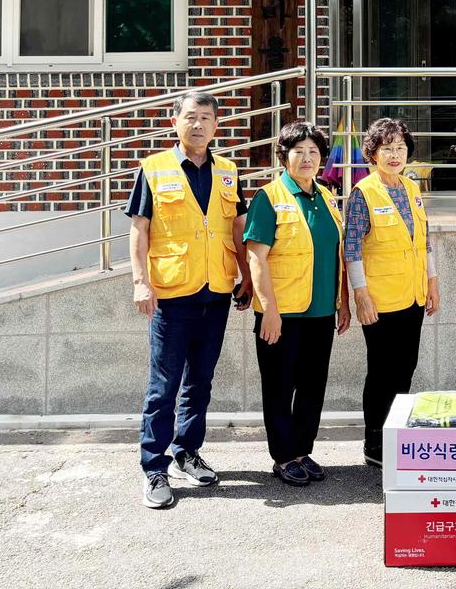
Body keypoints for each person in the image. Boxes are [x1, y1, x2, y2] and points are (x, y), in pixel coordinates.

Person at [125, 91, 252, 509]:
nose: (198, 125)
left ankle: (186, 452)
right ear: (175, 122)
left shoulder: (229, 171)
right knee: (164, 384)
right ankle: (154, 467)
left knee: (200, 380)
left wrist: (247, 277)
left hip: (215, 290)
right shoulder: (155, 169)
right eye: (190, 117)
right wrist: (140, 282)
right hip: (172, 294)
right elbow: (140, 229)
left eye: (206, 118)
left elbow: (237, 229)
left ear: (217, 125)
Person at [244, 122, 351, 486]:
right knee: (279, 386)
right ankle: (283, 456)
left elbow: (336, 254)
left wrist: (343, 303)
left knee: (312, 385)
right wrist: (268, 310)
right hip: (283, 314)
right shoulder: (268, 197)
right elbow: (257, 258)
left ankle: (302, 450)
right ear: (284, 156)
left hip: (321, 311)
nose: (307, 159)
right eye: (299, 152)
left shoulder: (326, 196)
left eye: (314, 152)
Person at [344, 118, 440, 468]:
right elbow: (351, 247)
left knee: (404, 368)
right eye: (387, 148)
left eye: (400, 147)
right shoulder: (363, 193)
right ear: (373, 153)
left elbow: (423, 240)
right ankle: (375, 441)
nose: (395, 154)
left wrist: (432, 281)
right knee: (382, 371)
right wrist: (360, 294)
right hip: (380, 300)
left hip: (412, 296)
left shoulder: (412, 188)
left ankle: (395, 433)